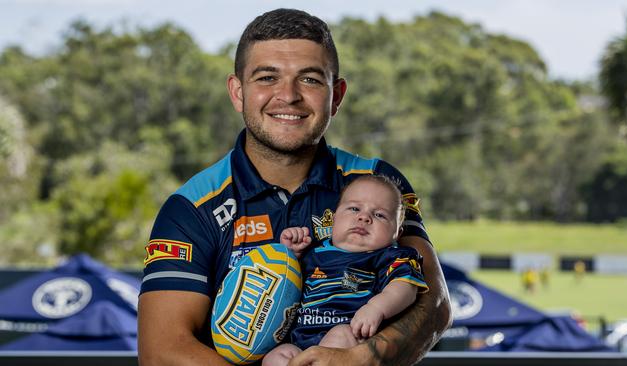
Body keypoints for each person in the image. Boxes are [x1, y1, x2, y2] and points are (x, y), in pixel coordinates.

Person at [138, 8, 451, 366]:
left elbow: (435, 305)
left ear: (336, 95)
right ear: (237, 92)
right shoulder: (192, 207)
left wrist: (364, 358)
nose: (288, 96)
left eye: (310, 80)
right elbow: (162, 350)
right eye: (267, 77)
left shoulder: (377, 183)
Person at [263, 175, 429, 366]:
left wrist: (376, 308)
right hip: (301, 340)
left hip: (351, 338)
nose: (364, 217)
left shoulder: (388, 257)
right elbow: (287, 285)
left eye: (379, 215)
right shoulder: (313, 253)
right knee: (277, 356)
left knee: (340, 335)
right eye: (354, 209)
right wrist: (290, 255)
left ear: (397, 232)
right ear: (334, 218)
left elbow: (406, 287)